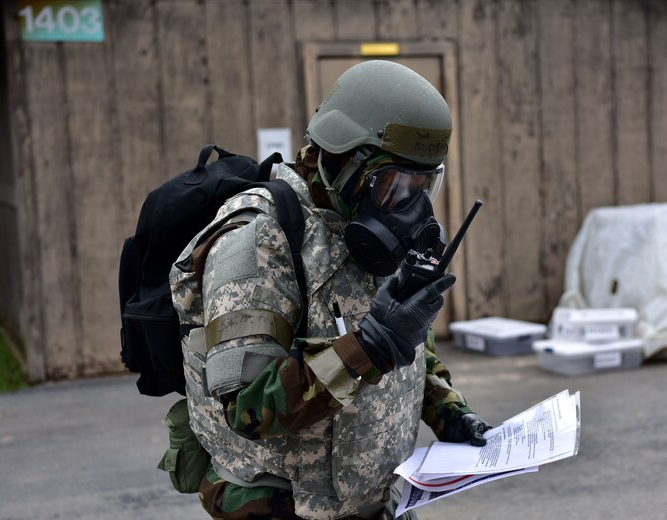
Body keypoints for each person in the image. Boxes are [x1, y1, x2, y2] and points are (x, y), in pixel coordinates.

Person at [169, 60, 490, 520]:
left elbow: (412, 351)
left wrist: (450, 413)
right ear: (340, 160)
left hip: (372, 503)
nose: (407, 209)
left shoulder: (363, 230)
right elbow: (247, 408)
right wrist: (370, 348)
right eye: (393, 186)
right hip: (283, 507)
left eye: (423, 186)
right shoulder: (258, 241)